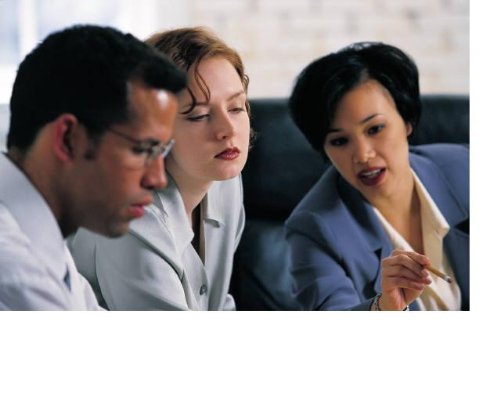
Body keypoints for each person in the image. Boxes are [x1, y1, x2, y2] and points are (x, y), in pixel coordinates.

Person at [0, 25, 186, 310]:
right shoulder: (15, 274)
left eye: (162, 152)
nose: (158, 178)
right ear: (68, 139)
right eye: (142, 150)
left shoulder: (45, 244)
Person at [69, 27, 251, 310]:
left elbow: (214, 304)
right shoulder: (131, 216)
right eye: (199, 115)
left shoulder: (223, 178)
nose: (228, 129)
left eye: (237, 107)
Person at [286, 42, 469, 311]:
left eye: (375, 129)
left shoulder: (466, 168)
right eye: (339, 141)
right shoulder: (314, 229)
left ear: (407, 120)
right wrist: (384, 308)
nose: (362, 155)